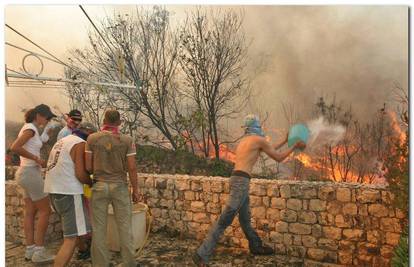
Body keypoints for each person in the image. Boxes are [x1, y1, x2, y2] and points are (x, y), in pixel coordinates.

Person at [193, 114, 306, 266]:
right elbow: (278, 157)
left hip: (236, 179)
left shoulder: (245, 141)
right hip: (241, 182)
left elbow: (269, 149)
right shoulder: (258, 140)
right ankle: (202, 254)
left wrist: (286, 140)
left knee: (245, 220)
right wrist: (294, 146)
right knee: (224, 220)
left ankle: (256, 246)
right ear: (257, 126)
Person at [85, 109, 141, 267]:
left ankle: (101, 264)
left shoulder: (91, 139)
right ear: (119, 122)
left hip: (99, 185)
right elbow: (132, 167)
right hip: (120, 186)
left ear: (104, 121)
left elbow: (88, 167)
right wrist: (136, 190)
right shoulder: (127, 140)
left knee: (99, 229)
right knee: (125, 227)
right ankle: (130, 263)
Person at [44, 122, 97, 267]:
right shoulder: (79, 143)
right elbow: (80, 174)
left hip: (54, 191)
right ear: (89, 133)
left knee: (75, 227)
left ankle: (83, 250)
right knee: (70, 239)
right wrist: (92, 182)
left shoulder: (62, 141)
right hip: (69, 192)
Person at [10, 104, 57, 263]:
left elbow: (37, 142)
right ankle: (39, 251)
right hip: (30, 173)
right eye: (47, 117)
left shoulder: (32, 129)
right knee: (46, 210)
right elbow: (15, 147)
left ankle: (30, 250)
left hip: (25, 173)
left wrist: (47, 132)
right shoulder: (30, 129)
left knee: (30, 212)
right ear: (38, 115)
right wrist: (36, 158)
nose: (48, 120)